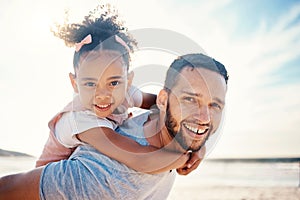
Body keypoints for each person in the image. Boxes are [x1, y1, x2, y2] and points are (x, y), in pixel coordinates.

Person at [0, 53, 229, 199]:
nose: (204, 117)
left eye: (215, 105)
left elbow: (156, 104)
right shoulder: (103, 178)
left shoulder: (129, 98)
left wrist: (199, 146)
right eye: (190, 99)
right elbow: (139, 158)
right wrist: (184, 158)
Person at [35, 5, 197, 173]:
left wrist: (197, 143)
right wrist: (186, 157)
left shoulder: (127, 94)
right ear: (74, 83)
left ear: (128, 81)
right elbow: (140, 159)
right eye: (90, 84)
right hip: (45, 185)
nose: (102, 95)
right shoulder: (80, 119)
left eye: (113, 83)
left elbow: (166, 106)